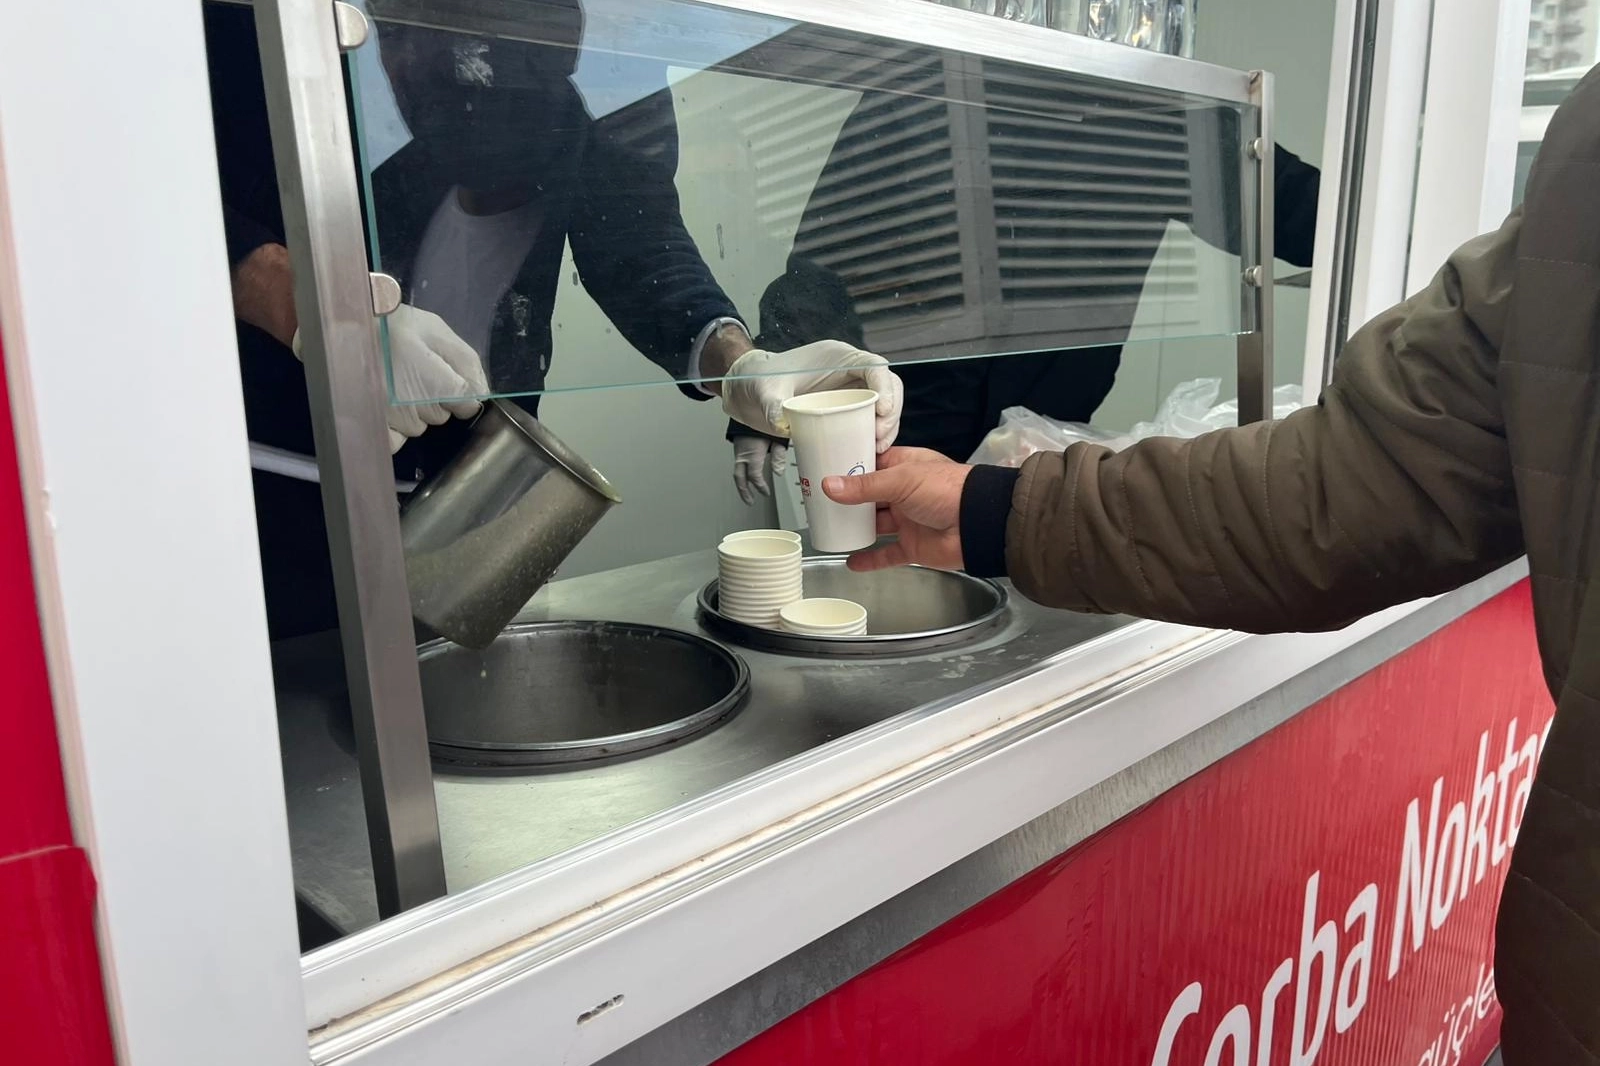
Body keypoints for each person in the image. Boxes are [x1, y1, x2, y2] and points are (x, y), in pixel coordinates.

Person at [823, 65, 1600, 1066]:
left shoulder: (1148, 113)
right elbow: (1354, 485)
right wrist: (991, 509)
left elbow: (1297, 211)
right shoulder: (915, 89)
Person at [203, 1, 902, 638]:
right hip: (266, 487)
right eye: (398, 40)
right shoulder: (273, 53)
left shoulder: (600, 92)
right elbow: (166, 186)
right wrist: (320, 314)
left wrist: (738, 362)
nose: (411, 71)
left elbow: (639, 243)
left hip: (473, 492)